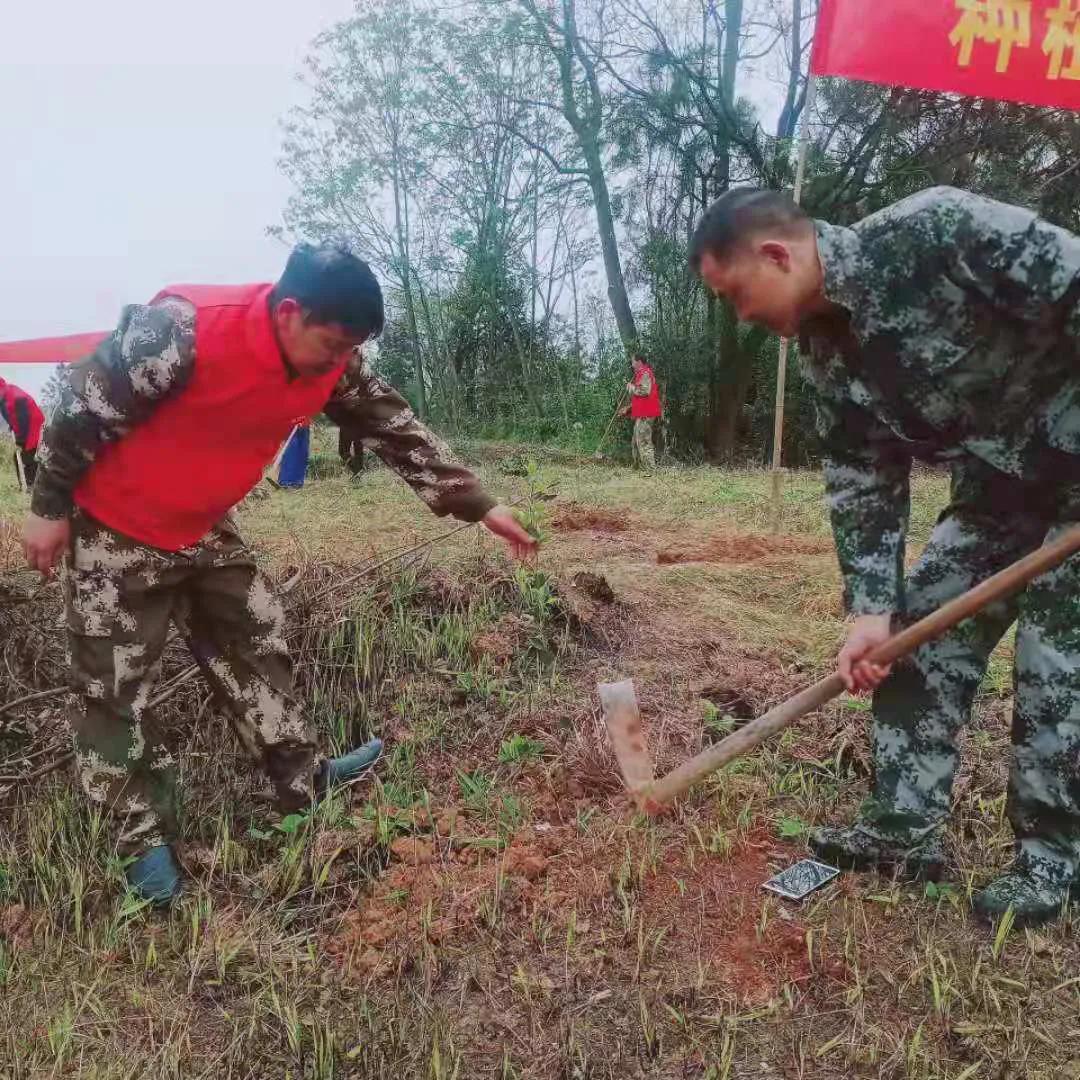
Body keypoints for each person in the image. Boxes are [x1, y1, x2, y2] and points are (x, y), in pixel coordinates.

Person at [21, 244, 537, 906]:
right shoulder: (181, 331)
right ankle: (140, 851)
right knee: (113, 695)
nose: (341, 362)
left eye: (352, 349)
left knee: (259, 639)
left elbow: (393, 425)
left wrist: (483, 506)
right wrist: (47, 507)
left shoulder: (333, 364)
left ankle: (303, 782)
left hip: (203, 522)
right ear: (289, 312)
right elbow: (80, 406)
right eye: (332, 344)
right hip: (116, 526)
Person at [690, 185, 1080, 927]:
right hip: (998, 487)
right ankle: (903, 831)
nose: (742, 317)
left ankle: (1051, 862)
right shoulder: (822, 351)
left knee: (1059, 667)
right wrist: (870, 609)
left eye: (738, 294)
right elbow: (862, 472)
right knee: (918, 635)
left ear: (779, 253)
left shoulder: (938, 231)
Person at [0, 376, 45, 489]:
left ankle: (31, 487)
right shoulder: (4, 395)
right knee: (20, 456)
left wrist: (20, 439)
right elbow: (8, 413)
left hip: (33, 427)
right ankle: (27, 485)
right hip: (25, 426)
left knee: (27, 457)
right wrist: (12, 425)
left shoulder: (15, 396)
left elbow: (23, 420)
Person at [622, 354, 661, 470]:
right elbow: (641, 399)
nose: (632, 364)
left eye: (633, 361)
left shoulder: (645, 373)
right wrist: (628, 409)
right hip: (642, 413)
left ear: (639, 362)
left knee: (643, 441)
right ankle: (638, 468)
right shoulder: (640, 374)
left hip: (646, 414)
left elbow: (645, 391)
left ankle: (650, 470)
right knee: (636, 440)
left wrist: (631, 387)